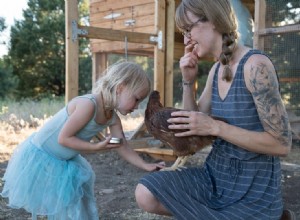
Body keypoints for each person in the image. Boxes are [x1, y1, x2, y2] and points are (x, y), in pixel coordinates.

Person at [135, 0, 293, 219]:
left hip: (253, 188)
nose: (186, 38)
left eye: (189, 29)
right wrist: (188, 81)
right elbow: (191, 126)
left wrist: (216, 127)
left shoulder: (255, 66)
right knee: (146, 193)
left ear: (214, 21)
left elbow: (282, 144)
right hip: (215, 176)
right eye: (183, 31)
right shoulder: (216, 70)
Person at [1, 61, 165, 220]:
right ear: (120, 88)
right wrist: (95, 147)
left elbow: (121, 145)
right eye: (136, 99)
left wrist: (145, 165)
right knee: (57, 204)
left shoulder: (112, 118)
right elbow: (64, 138)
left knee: (76, 202)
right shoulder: (88, 105)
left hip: (65, 159)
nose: (137, 106)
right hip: (43, 156)